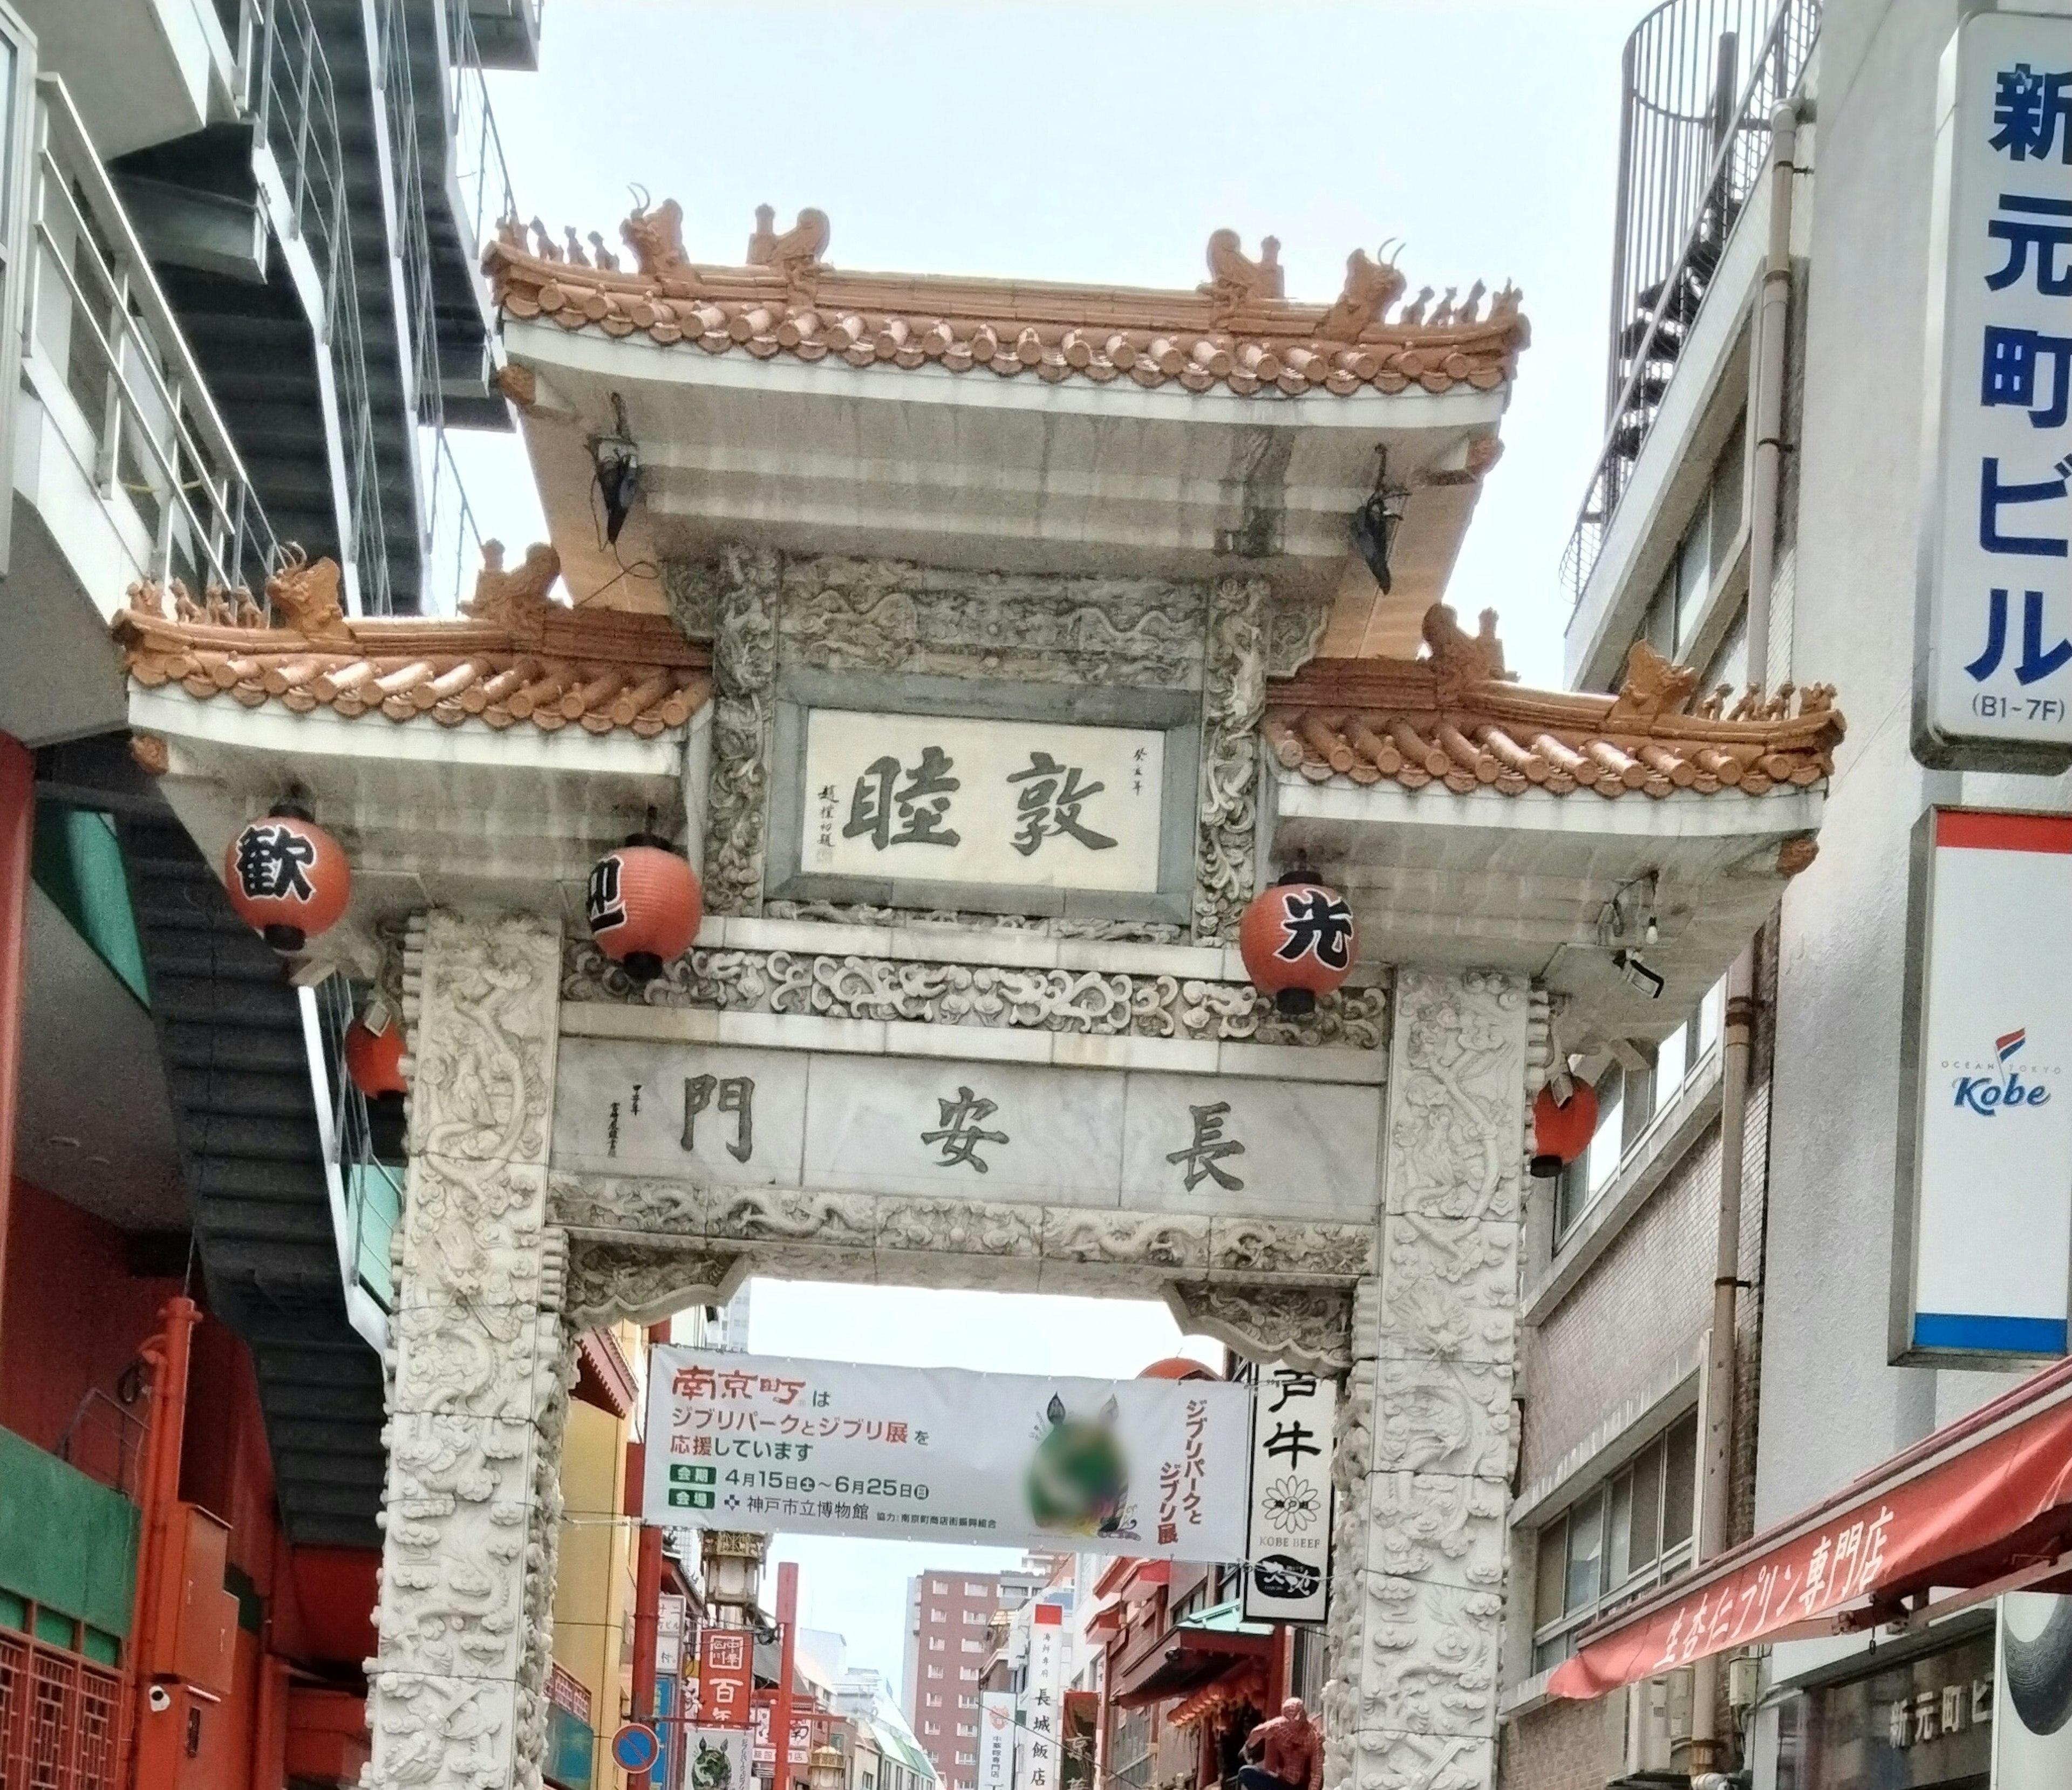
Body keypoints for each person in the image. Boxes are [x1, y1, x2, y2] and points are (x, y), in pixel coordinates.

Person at [1236, 1698, 1321, 1790]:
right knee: (1245, 1772)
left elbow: (1317, 1773)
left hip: (1302, 1787)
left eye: (1297, 1717)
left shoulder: (1314, 1736)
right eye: (1289, 1718)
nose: (1294, 1722)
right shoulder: (1279, 1726)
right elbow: (1258, 1732)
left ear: (1303, 1714)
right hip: (1282, 1782)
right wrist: (1248, 1748)